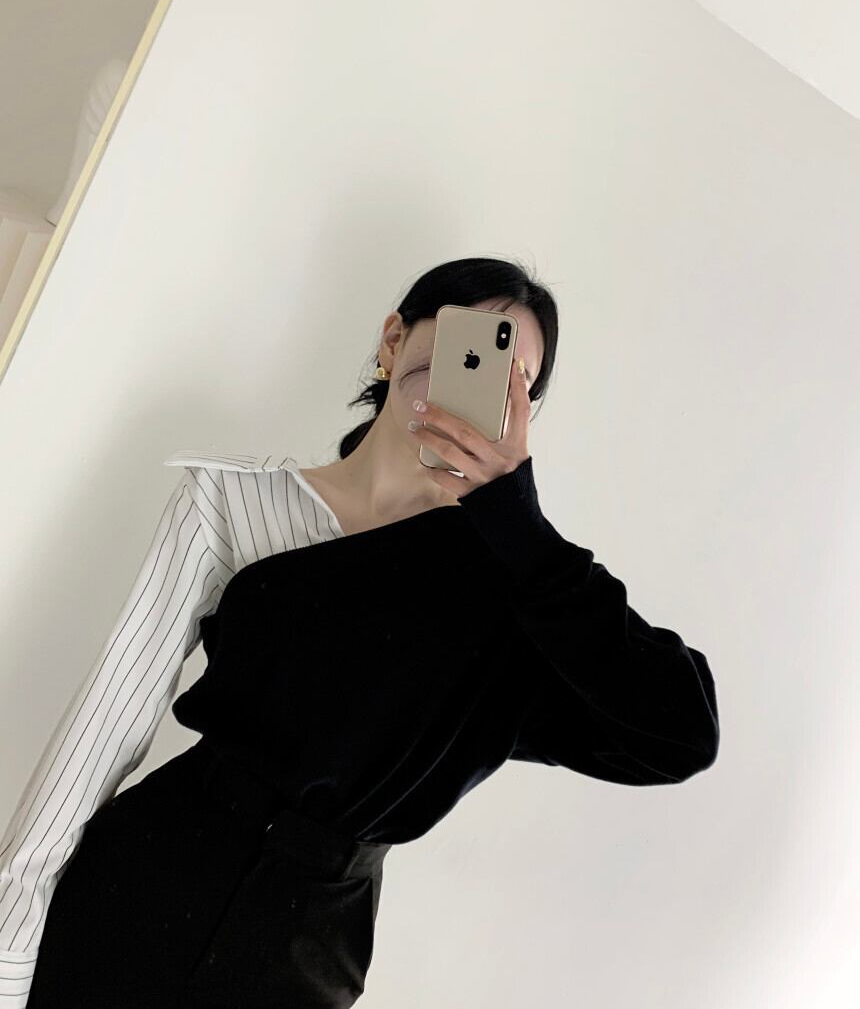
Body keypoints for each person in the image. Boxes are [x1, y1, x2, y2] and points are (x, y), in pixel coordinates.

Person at [0, 257, 719, 1007]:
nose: (478, 371)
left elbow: (679, 734)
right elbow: (105, 723)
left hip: (305, 953)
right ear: (394, 339)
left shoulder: (517, 593)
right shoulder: (232, 500)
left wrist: (524, 532)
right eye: (467, 339)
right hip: (137, 889)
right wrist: (8, 947)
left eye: (514, 375)